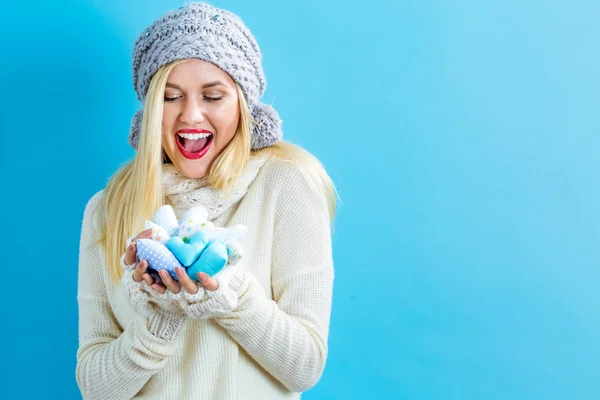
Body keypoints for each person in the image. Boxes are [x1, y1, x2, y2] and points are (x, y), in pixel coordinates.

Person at [75, 2, 336, 400]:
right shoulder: (108, 208)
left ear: (243, 106)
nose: (190, 116)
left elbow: (304, 367)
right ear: (149, 110)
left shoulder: (286, 185)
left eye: (213, 96)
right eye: (171, 96)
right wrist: (158, 322)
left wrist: (225, 293)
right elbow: (95, 388)